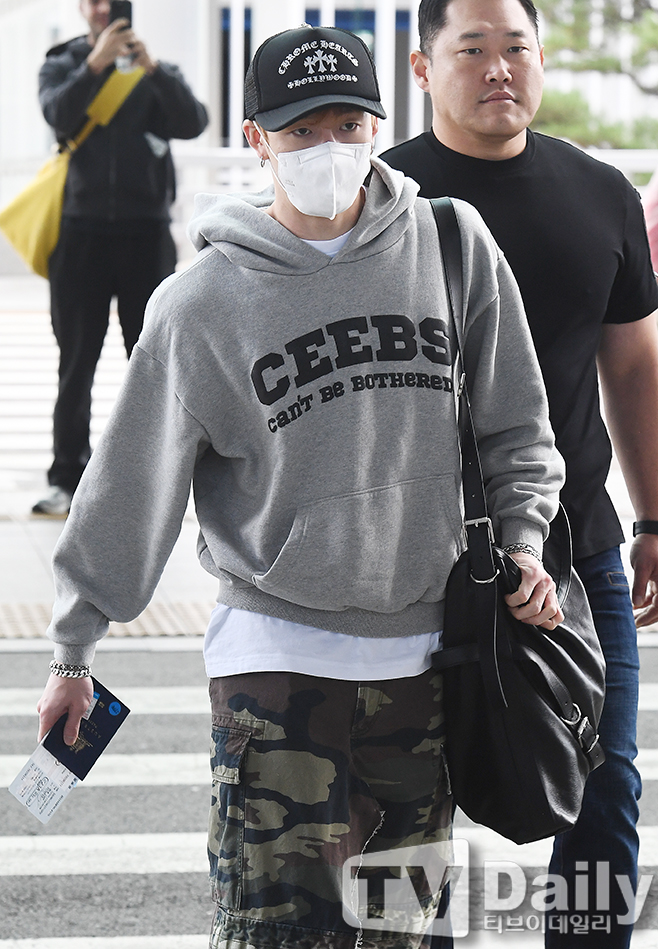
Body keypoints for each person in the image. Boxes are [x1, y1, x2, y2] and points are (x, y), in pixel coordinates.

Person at [36, 23, 565, 948]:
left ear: (378, 124)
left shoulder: (452, 244)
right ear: (257, 139)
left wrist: (523, 541)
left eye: (347, 124)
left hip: (427, 668)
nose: (329, 148)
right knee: (276, 936)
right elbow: (129, 486)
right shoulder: (201, 303)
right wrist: (74, 649)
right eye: (302, 130)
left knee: (406, 932)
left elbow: (516, 424)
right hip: (275, 671)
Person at [381, 0, 658, 945]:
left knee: (604, 784)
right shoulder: (382, 200)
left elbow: (633, 365)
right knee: (410, 800)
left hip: (579, 551)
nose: (499, 68)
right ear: (424, 68)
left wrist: (653, 518)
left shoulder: (602, 193)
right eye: (472, 49)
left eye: (517, 48)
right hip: (415, 560)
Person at [32, 0, 208, 516]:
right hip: (80, 234)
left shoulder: (155, 70)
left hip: (144, 234)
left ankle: (150, 478)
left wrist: (151, 69)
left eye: (111, 1)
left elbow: (192, 121)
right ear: (81, 8)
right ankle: (67, 476)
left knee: (149, 362)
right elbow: (57, 114)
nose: (102, 9)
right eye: (93, 1)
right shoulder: (62, 65)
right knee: (75, 361)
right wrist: (94, 65)